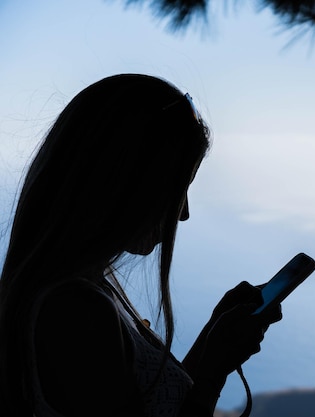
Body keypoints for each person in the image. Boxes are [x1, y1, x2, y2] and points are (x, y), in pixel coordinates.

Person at [0, 74, 281, 417]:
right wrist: (213, 371)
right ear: (128, 182)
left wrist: (211, 341)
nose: (185, 213)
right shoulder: (75, 311)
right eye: (179, 188)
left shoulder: (87, 290)